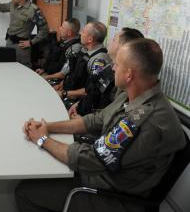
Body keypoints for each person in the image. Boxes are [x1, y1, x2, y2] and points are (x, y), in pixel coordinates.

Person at [16, 38, 186, 212]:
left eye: (117, 65)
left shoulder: (145, 121)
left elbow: (91, 159)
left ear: (129, 74)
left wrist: (42, 140)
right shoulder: (135, 94)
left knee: (25, 191)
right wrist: (48, 127)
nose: (112, 67)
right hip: (103, 172)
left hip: (111, 193)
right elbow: (96, 120)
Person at [69, 27, 144, 117]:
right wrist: (78, 104)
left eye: (114, 40)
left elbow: (109, 116)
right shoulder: (108, 67)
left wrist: (83, 122)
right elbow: (92, 90)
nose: (109, 42)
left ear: (123, 48)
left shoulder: (123, 82)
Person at [56, 22, 111, 109]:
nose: (80, 33)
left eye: (84, 32)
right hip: (72, 92)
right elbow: (75, 72)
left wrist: (65, 94)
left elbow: (91, 90)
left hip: (80, 102)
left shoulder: (99, 60)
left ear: (90, 39)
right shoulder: (85, 49)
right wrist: (63, 84)